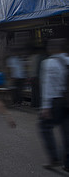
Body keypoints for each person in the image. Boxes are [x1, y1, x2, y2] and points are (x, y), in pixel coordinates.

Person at [38, 38, 69, 172]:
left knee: (44, 127)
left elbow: (47, 85)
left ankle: (54, 158)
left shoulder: (49, 63)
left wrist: (45, 106)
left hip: (55, 102)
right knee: (67, 132)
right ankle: (67, 163)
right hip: (67, 101)